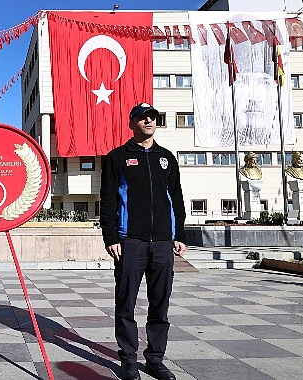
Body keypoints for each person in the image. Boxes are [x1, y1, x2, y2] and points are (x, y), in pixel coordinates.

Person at [100, 103, 187, 380]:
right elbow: (109, 200)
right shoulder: (117, 157)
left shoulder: (167, 158)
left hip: (162, 242)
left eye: (152, 117)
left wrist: (179, 234)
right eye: (142, 117)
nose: (148, 121)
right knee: (126, 302)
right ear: (132, 123)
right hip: (130, 241)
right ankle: (127, 358)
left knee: (160, 301)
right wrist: (112, 237)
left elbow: (177, 199)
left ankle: (154, 359)